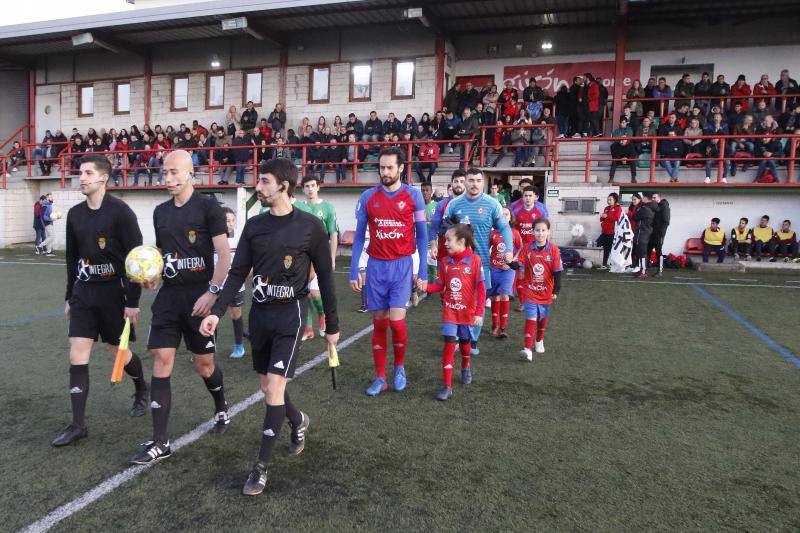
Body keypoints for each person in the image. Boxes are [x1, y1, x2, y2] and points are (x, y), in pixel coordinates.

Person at [199, 158, 338, 496]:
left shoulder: (310, 227)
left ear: (283, 187)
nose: (258, 187)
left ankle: (260, 468)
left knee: (274, 388)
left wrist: (331, 324)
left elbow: (327, 277)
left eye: (263, 182)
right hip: (259, 317)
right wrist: (217, 311)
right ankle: (298, 420)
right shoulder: (255, 226)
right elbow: (236, 273)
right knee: (268, 389)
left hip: (290, 318)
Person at [129, 150, 232, 465]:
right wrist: (152, 277)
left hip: (199, 298)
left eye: (174, 172)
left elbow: (224, 255)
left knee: (203, 365)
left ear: (191, 173)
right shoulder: (160, 212)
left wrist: (212, 293)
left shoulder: (208, 207)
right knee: (161, 360)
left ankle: (221, 406)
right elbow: (162, 255)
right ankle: (160, 442)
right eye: (164, 172)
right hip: (169, 298)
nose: (168, 178)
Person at [50, 155, 148, 447]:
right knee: (77, 352)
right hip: (84, 292)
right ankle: (78, 424)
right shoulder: (75, 215)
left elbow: (136, 260)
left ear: (103, 178)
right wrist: (70, 295)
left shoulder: (121, 213)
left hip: (113, 293)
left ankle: (142, 388)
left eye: (88, 173)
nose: (82, 178)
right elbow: (71, 259)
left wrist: (133, 300)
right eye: (80, 173)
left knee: (117, 350)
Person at [349, 147, 428, 396]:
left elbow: (423, 237)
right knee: (379, 324)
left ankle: (399, 367)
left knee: (397, 322)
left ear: (401, 168)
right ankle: (381, 377)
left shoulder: (414, 196)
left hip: (401, 266)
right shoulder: (368, 197)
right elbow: (360, 236)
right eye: (381, 168)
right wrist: (353, 269)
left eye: (390, 167)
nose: (384, 172)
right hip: (376, 267)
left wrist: (423, 271)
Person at [443, 168, 515, 356]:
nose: (474, 184)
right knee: (458, 299)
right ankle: (459, 336)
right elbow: (445, 229)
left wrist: (508, 250)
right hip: (457, 264)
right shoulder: (454, 204)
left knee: (478, 303)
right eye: (470, 180)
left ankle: (472, 340)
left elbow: (505, 229)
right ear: (464, 182)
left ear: (483, 183)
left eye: (478, 180)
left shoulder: (492, 204)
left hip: (482, 264)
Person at [421, 223, 485, 401]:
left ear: (462, 241)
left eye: (449, 240)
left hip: (467, 313)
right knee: (448, 346)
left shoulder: (475, 261)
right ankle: (447, 386)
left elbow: (481, 290)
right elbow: (440, 285)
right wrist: (426, 286)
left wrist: (479, 313)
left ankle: (466, 365)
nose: (445, 243)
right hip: (450, 311)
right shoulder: (445, 262)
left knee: (465, 344)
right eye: (444, 240)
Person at [295, 175, 339, 340]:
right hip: (303, 257)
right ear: (303, 189)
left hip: (320, 256)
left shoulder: (327, 207)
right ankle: (308, 329)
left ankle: (322, 316)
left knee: (315, 293)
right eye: (307, 186)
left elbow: (333, 233)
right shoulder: (299, 207)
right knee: (304, 292)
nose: (310, 189)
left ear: (318, 187)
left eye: (313, 185)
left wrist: (332, 258)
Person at [515, 218, 562, 360]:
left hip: (546, 292)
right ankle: (527, 349)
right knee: (531, 318)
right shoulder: (527, 248)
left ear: (548, 232)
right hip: (530, 290)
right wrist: (510, 263)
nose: (540, 234)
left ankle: (539, 339)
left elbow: (557, 271)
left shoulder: (553, 250)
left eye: (543, 230)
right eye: (537, 230)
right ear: (533, 231)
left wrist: (556, 290)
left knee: (542, 320)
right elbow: (519, 264)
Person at [489, 207, 522, 339]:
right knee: (495, 297)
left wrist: (511, 262)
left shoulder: (514, 233)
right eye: (501, 214)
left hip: (508, 271)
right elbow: (487, 249)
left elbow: (520, 248)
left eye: (506, 214)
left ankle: (503, 328)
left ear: (510, 217)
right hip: (494, 269)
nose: (504, 216)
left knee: (505, 295)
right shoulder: (493, 233)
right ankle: (494, 325)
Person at [220, 208, 247, 359]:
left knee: (235, 313)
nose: (230, 224)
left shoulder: (238, 236)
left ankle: (239, 346)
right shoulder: (212, 236)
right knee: (211, 315)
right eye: (227, 220)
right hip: (215, 283)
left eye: (232, 221)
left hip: (234, 283)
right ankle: (208, 349)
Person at [429, 170, 467, 262]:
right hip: (445, 251)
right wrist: (433, 246)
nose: (458, 184)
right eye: (456, 181)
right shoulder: (442, 204)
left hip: (465, 252)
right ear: (451, 183)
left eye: (462, 182)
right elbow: (433, 228)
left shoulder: (471, 204)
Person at [631, 194, 656, 277]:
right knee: (642, 253)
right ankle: (643, 270)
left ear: (645, 198)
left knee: (642, 253)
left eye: (643, 197)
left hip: (642, 233)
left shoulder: (645, 208)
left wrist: (638, 211)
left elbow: (634, 217)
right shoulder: (651, 208)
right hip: (646, 232)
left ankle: (643, 271)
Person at [648, 192, 670, 277]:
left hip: (659, 233)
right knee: (648, 249)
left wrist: (661, 233)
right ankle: (645, 268)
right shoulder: (654, 207)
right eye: (652, 198)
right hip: (652, 232)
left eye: (654, 198)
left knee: (658, 251)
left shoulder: (664, 206)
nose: (653, 199)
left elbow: (666, 222)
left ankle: (660, 270)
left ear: (659, 197)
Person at [597, 193, 622, 269]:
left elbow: (616, 218)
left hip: (613, 233)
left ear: (615, 200)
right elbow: (603, 219)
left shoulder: (618, 208)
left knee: (613, 250)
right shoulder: (606, 208)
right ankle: (604, 264)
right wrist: (601, 217)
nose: (608, 201)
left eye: (610, 200)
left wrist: (607, 216)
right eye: (608, 199)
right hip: (605, 232)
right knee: (606, 249)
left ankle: (617, 265)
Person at [609, 117, 637, 183]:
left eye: (624, 139)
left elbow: (633, 155)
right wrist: (621, 159)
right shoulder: (615, 146)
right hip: (619, 159)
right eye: (621, 139)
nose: (622, 141)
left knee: (633, 161)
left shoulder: (631, 145)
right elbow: (615, 155)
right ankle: (611, 178)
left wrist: (627, 159)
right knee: (614, 161)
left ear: (627, 140)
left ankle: (633, 178)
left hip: (628, 160)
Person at [39, 192, 56, 256]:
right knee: (52, 236)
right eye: (50, 197)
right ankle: (40, 246)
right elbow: (44, 216)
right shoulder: (45, 205)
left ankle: (49, 252)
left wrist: (54, 217)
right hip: (47, 223)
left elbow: (48, 215)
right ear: (47, 198)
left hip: (49, 222)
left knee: (49, 237)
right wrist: (51, 219)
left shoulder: (49, 204)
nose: (52, 198)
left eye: (52, 197)